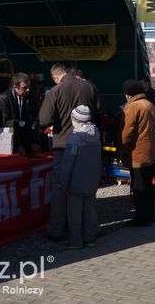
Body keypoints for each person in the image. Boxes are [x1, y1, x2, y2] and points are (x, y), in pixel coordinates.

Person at [39, 62, 101, 242]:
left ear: (55, 77)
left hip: (63, 144)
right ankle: (91, 228)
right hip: (88, 145)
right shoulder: (89, 87)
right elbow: (98, 112)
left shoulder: (55, 91)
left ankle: (57, 229)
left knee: (60, 187)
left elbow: (44, 119)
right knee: (88, 188)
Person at [59, 106, 101, 250]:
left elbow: (67, 164)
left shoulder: (74, 139)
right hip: (91, 180)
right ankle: (90, 238)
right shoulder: (96, 135)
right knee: (90, 211)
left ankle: (75, 240)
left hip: (76, 182)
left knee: (74, 213)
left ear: (75, 121)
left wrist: (63, 182)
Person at [120, 80, 155, 226]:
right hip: (150, 151)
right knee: (147, 185)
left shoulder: (132, 107)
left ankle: (141, 218)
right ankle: (150, 214)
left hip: (137, 153)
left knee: (138, 187)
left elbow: (126, 133)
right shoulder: (148, 104)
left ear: (127, 94)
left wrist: (121, 150)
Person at [0, 72, 41, 155]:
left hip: (28, 137)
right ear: (15, 87)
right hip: (12, 139)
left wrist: (35, 141)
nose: (28, 90)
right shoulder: (4, 99)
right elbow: (6, 123)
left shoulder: (31, 97)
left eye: (28, 87)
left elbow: (36, 119)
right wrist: (17, 144)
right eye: (24, 88)